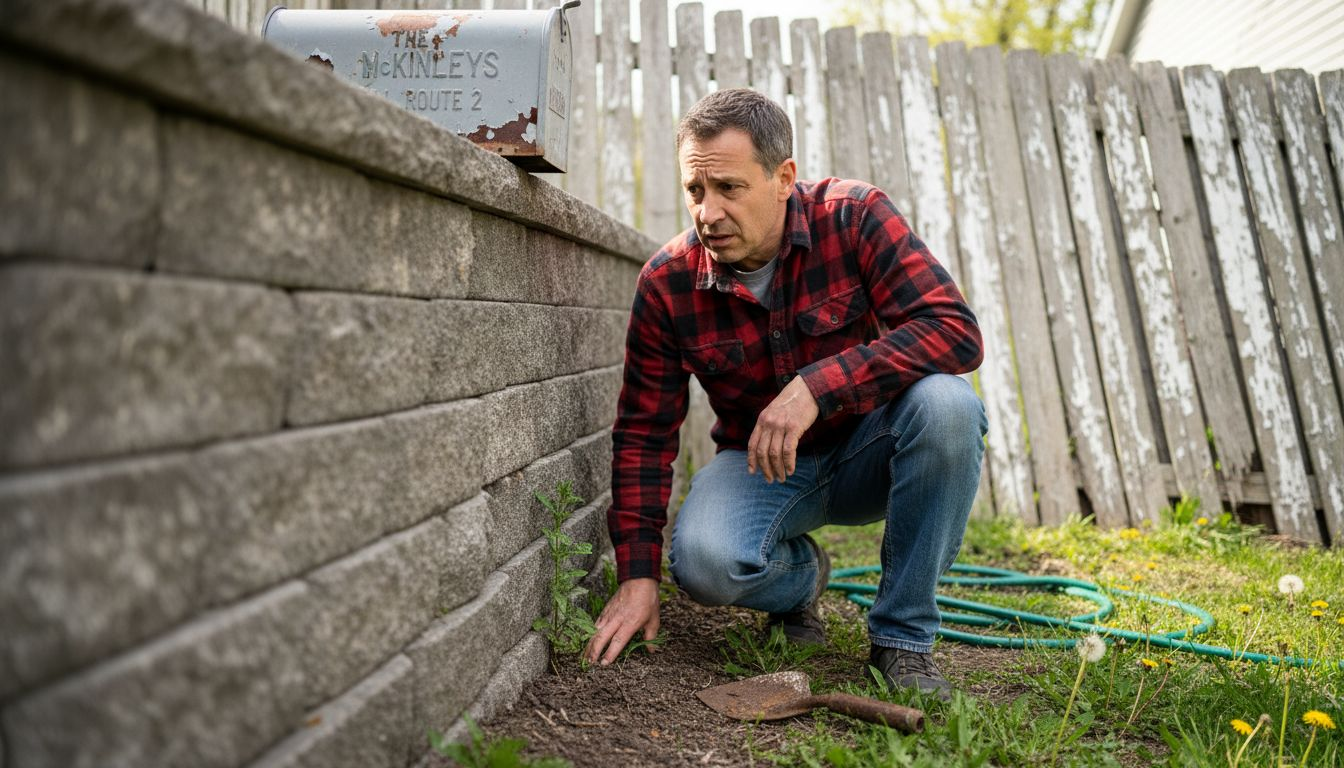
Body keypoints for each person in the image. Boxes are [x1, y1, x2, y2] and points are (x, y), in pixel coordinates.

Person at [584, 88, 986, 699]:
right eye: (696, 191)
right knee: (703, 565)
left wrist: (817, 388)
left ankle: (902, 640)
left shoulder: (855, 217)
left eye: (728, 188)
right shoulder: (667, 283)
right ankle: (803, 579)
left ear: (783, 178)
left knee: (949, 406)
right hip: (763, 468)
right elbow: (644, 433)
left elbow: (953, 332)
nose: (708, 212)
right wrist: (637, 575)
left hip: (871, 452)